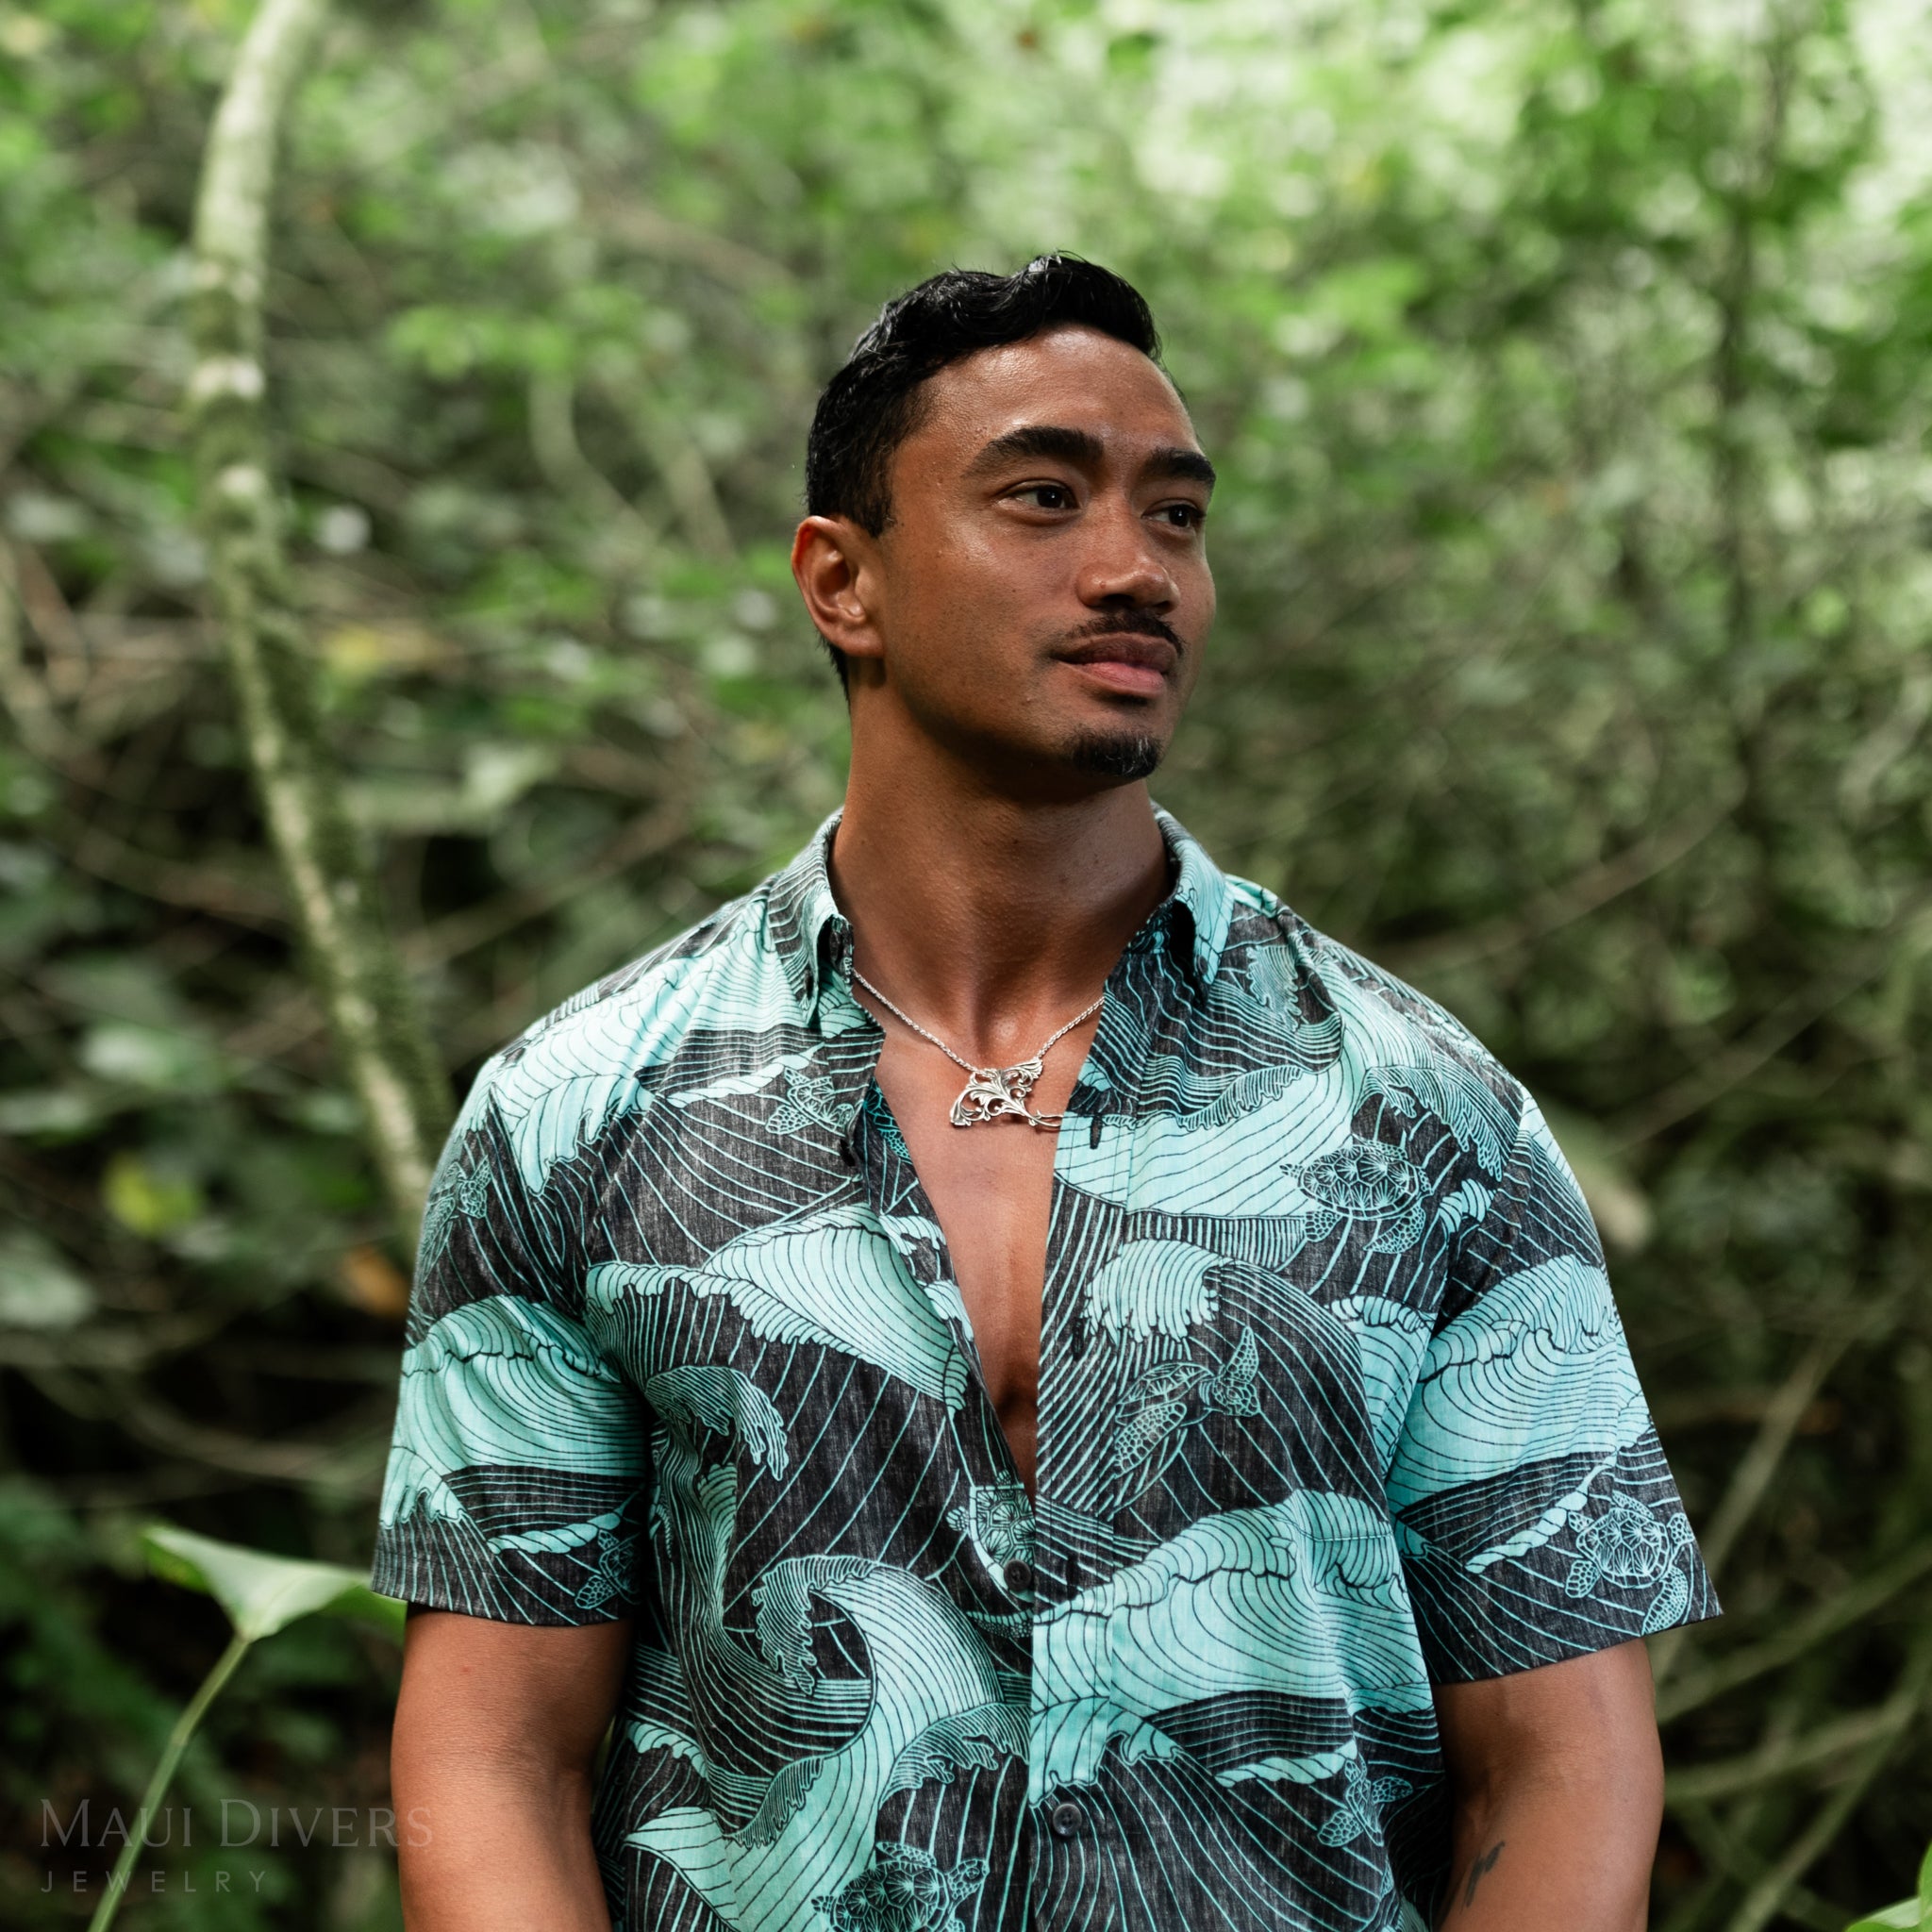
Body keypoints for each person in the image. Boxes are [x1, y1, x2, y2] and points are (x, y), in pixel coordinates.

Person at [377, 255, 1715, 1932]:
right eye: (1041, 497)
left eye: (1176, 518)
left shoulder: (1424, 1118)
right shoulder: (581, 1112)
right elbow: (496, 1753)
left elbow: (1566, 1759)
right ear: (840, 582)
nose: (1134, 570)